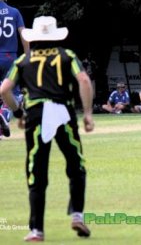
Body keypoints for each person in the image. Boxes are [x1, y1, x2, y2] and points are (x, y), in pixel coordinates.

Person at [0, 16, 94, 241]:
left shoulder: (23, 61)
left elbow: (5, 90)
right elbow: (83, 81)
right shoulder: (67, 55)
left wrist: (20, 113)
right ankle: (77, 215)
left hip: (36, 115)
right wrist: (88, 114)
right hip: (62, 112)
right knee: (75, 164)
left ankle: (36, 229)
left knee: (36, 171)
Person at [0, 0, 29, 138]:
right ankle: (4, 117)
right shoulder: (14, 12)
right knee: (13, 94)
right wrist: (27, 56)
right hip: (9, 56)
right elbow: (24, 36)